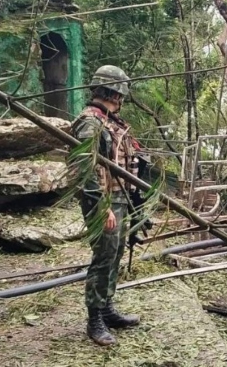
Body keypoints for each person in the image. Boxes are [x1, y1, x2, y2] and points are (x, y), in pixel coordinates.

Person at [71, 65, 142, 346]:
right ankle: (94, 319)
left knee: (115, 253)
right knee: (104, 256)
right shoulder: (90, 122)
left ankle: (107, 307)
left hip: (119, 197)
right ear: (113, 92)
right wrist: (102, 207)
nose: (122, 99)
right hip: (103, 200)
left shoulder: (110, 121)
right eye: (120, 93)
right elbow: (84, 169)